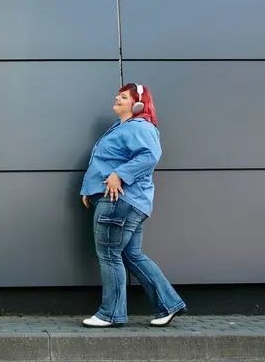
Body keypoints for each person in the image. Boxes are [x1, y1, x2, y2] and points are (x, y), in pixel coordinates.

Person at [79, 83, 187, 328]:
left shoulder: (140, 126)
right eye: (118, 94)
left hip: (120, 201)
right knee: (131, 254)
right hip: (125, 201)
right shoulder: (123, 127)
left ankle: (110, 314)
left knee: (109, 254)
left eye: (124, 96)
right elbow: (106, 161)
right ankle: (169, 304)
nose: (117, 97)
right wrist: (89, 190)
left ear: (137, 104)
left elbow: (150, 155)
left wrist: (119, 175)